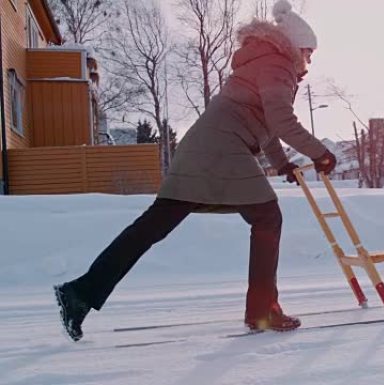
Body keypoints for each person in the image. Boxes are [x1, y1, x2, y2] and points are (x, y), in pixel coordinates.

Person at [53, 0, 336, 342]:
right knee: (267, 217)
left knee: (150, 227)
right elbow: (281, 120)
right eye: (309, 52)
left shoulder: (261, 61)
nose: (309, 61)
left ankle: (80, 293)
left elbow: (266, 122)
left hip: (202, 151)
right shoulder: (278, 64)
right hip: (222, 151)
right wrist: (321, 154)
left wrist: (282, 163)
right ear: (295, 47)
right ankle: (262, 311)